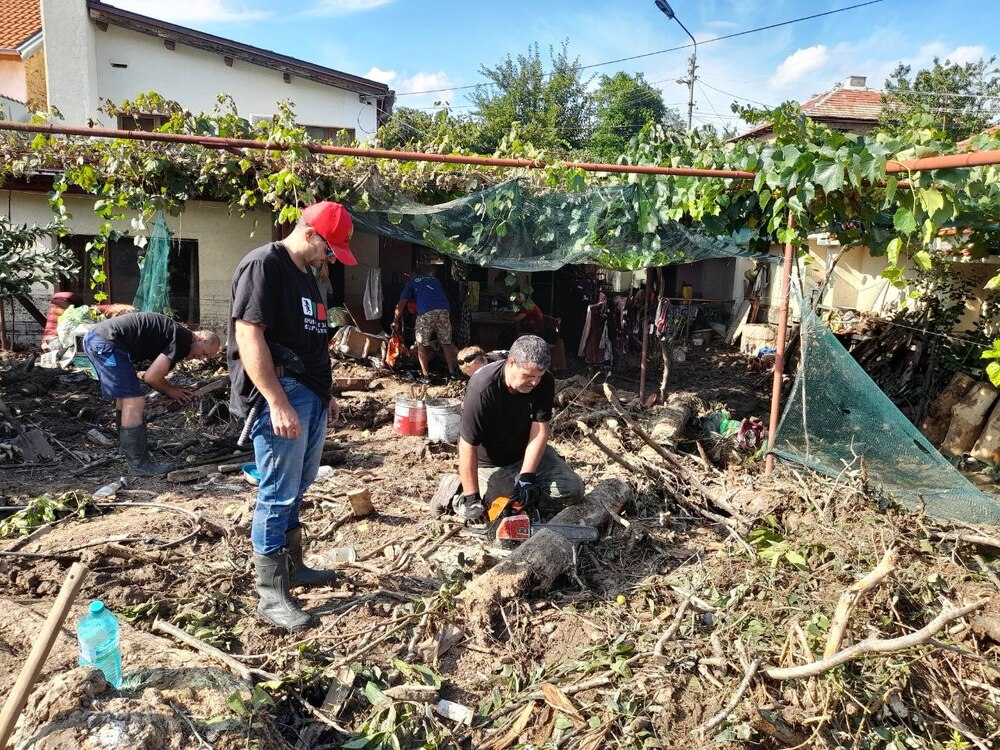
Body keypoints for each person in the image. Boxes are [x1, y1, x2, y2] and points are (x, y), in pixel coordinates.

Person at [229, 200, 355, 632]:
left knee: (298, 485)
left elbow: (313, 340)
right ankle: (271, 593)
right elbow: (249, 335)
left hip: (311, 394)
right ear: (311, 234)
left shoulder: (305, 276)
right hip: (282, 394)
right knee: (278, 491)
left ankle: (294, 565)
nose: (330, 258)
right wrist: (277, 400)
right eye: (329, 248)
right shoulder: (264, 265)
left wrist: (328, 392)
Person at [457, 335, 584, 523]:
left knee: (573, 489)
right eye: (528, 376)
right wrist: (471, 498)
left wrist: (526, 476)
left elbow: (540, 429)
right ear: (511, 363)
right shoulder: (483, 388)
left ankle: (527, 500)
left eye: (538, 377)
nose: (534, 383)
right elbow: (467, 445)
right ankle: (457, 493)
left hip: (524, 453)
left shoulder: (544, 382)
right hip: (491, 463)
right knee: (493, 509)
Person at [83, 311, 220, 475]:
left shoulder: (177, 335)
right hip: (105, 343)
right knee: (134, 401)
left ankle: (128, 448)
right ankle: (138, 465)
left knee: (125, 398)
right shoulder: (183, 339)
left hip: (101, 339)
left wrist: (170, 388)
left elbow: (155, 374)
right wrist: (171, 390)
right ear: (200, 339)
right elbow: (151, 377)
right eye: (204, 353)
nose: (200, 359)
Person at [391, 265, 458, 383]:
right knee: (446, 342)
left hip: (426, 312)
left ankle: (426, 376)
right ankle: (452, 373)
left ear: (410, 275)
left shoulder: (411, 283)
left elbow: (401, 304)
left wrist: (395, 320)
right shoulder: (434, 279)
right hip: (444, 310)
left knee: (421, 344)